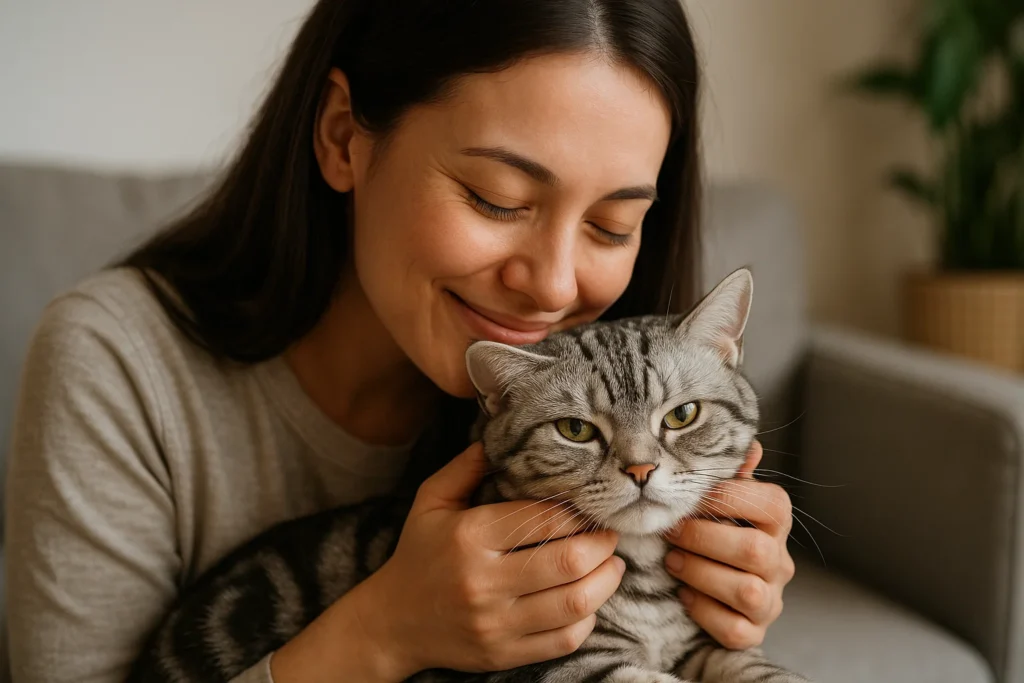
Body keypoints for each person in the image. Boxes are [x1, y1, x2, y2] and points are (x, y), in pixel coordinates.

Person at [3, 1, 797, 681]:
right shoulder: (113, 360)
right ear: (341, 136)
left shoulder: (598, 379)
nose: (554, 287)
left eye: (611, 224)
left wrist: (713, 608)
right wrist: (381, 632)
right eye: (497, 198)